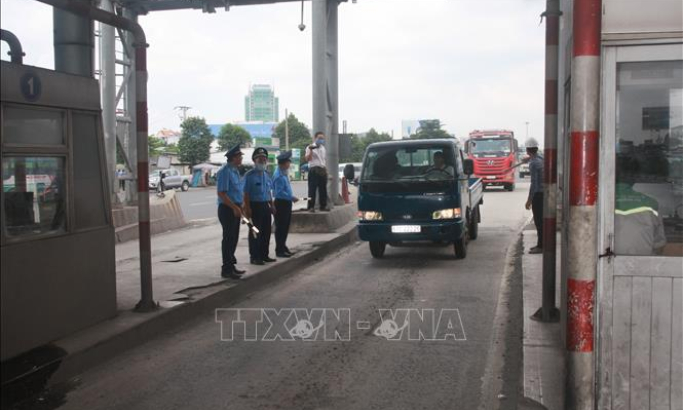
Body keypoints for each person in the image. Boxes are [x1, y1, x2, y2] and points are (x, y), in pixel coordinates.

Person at [614, 156, 666, 255]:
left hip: (606, 264)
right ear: (634, 178)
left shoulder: (601, 202)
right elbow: (659, 245)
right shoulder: (651, 203)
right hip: (641, 265)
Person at [216, 145, 246, 279]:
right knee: (228, 239)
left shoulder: (235, 171)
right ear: (233, 158)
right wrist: (235, 207)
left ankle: (231, 266)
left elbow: (237, 191)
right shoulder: (225, 171)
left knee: (234, 238)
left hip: (236, 208)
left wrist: (241, 206)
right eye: (239, 156)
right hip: (227, 209)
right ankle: (226, 269)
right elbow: (221, 193)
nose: (241, 158)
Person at [243, 147, 276, 265]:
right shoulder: (249, 175)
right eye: (259, 159)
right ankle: (255, 256)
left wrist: (271, 205)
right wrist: (247, 209)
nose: (262, 161)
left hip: (265, 206)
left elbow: (269, 192)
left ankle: (264, 255)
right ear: (254, 161)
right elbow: (245, 193)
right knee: (255, 232)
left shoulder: (267, 175)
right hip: (254, 206)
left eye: (264, 159)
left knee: (266, 232)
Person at [272, 151, 299, 258]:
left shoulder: (283, 173)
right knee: (281, 228)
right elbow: (278, 193)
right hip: (281, 203)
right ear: (283, 163)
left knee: (285, 227)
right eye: (288, 162)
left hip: (286, 203)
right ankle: (279, 249)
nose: (289, 164)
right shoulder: (278, 175)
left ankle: (283, 246)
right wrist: (291, 197)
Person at [524, 144, 544, 254]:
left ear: (527, 150)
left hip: (538, 194)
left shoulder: (533, 163)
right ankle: (540, 244)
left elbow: (534, 183)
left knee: (539, 221)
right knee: (541, 220)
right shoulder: (539, 159)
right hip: (544, 193)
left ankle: (541, 246)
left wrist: (529, 200)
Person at [305, 131, 328, 212]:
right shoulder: (309, 147)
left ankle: (323, 206)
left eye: (322, 138)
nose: (321, 140)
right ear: (315, 138)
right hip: (313, 170)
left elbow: (323, 160)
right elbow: (308, 159)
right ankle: (311, 207)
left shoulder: (323, 148)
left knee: (323, 189)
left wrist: (325, 169)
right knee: (312, 190)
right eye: (319, 138)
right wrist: (311, 150)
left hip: (322, 170)